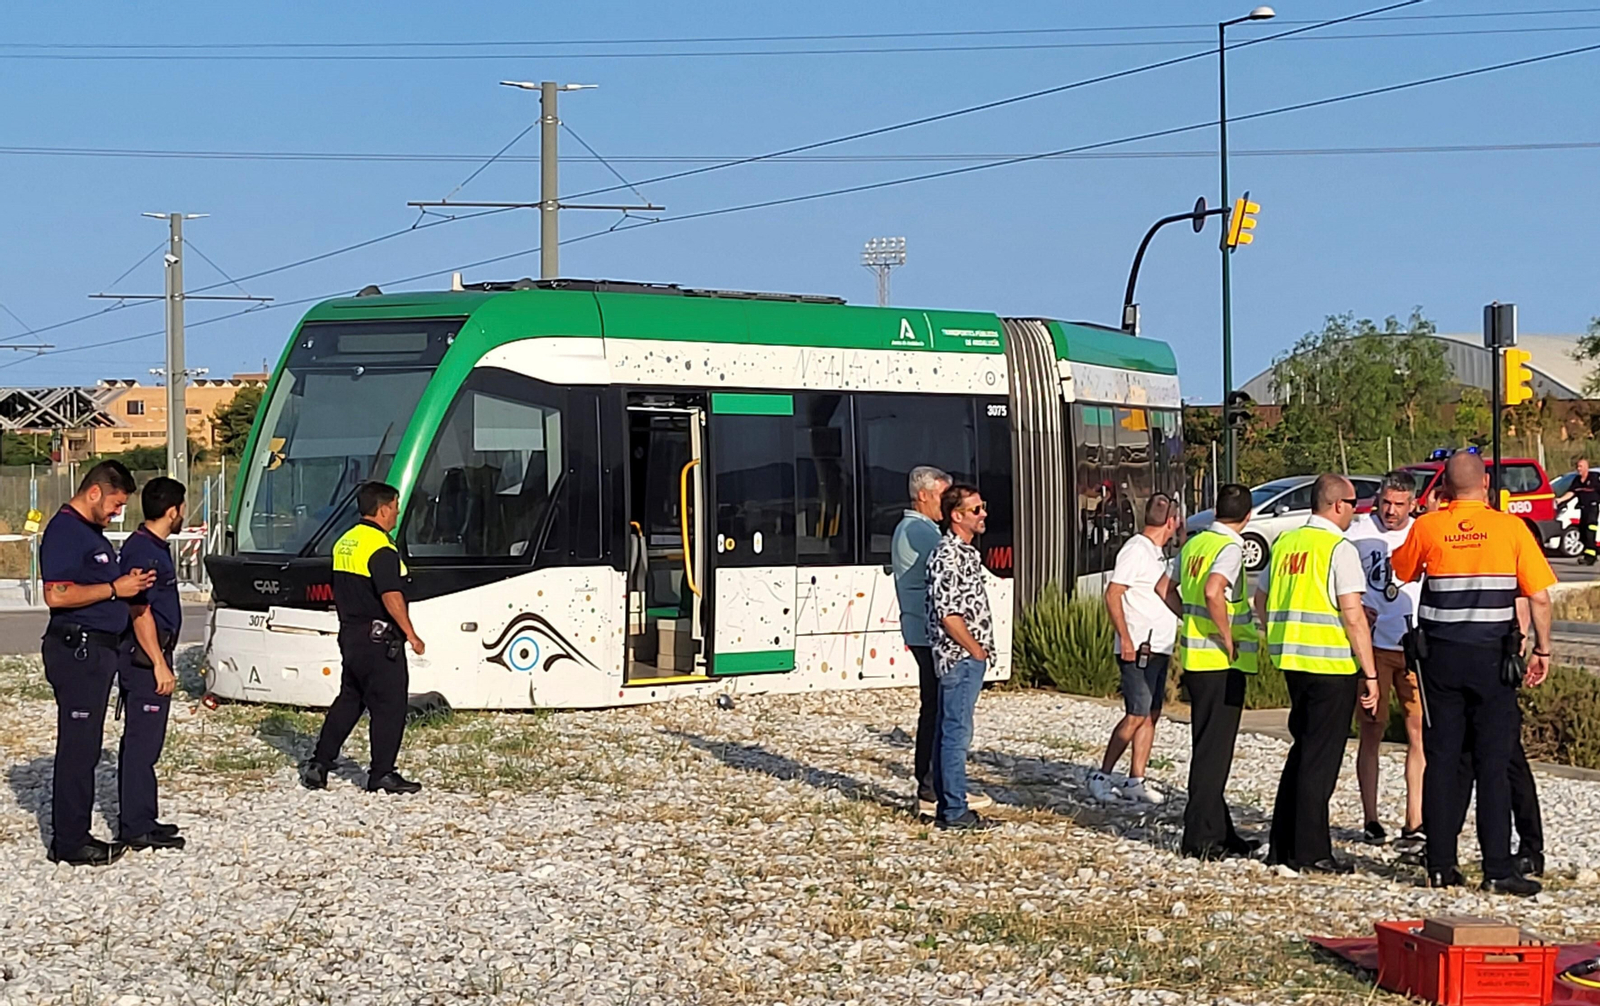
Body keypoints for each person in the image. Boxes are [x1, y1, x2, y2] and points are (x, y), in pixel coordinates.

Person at [1392, 451, 1554, 896]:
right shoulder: (1510, 528)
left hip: (1440, 659)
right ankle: (1498, 868)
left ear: (1444, 488)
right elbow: (1538, 598)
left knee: (1442, 760)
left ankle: (1441, 865)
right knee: (1493, 763)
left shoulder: (1428, 527)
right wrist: (1541, 649)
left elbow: (1402, 571)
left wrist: (1434, 521)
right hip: (1492, 661)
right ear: (1485, 486)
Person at [1256, 474, 1380, 874]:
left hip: (1292, 657)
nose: (1356, 511)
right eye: (1353, 503)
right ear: (1337, 504)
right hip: (1330, 664)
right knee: (1320, 761)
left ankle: (1283, 844)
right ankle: (1311, 852)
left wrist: (1276, 631)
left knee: (1303, 750)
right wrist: (1371, 672)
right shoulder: (1337, 548)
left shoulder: (1286, 542)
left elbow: (1261, 597)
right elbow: (1352, 614)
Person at [39, 461, 155, 866]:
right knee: (78, 748)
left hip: (98, 649)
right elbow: (56, 594)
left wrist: (130, 587)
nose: (116, 514)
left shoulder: (90, 533)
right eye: (115, 504)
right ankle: (70, 841)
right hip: (78, 650)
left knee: (86, 745)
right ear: (94, 492)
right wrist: (114, 588)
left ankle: (74, 832)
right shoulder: (65, 531)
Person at [301, 482, 427, 795]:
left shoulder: (345, 541)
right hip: (379, 638)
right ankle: (382, 773)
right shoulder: (381, 546)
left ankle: (319, 763)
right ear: (383, 509)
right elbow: (390, 594)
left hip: (350, 634)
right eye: (395, 507)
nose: (397, 513)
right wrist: (410, 633)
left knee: (351, 698)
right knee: (390, 705)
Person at [892, 466, 993, 820]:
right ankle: (942, 794)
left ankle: (941, 790)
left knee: (940, 715)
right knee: (947, 721)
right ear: (923, 495)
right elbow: (949, 605)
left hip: (938, 640)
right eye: (941, 495)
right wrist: (975, 649)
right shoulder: (925, 535)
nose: (983, 515)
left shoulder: (926, 534)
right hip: (944, 643)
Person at [1176, 483, 1261, 859]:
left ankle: (1221, 831)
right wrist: (1226, 636)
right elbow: (1214, 591)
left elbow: (1167, 586)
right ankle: (1201, 838)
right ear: (1249, 515)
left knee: (1208, 746)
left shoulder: (1195, 544)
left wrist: (1187, 620)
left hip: (1195, 659)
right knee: (1214, 753)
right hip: (1220, 662)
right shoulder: (1229, 547)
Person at [1346, 472, 1425, 848]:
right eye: (1386, 503)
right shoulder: (1358, 533)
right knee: (1371, 732)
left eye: (1399, 504)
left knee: (1417, 734)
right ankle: (1371, 818)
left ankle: (1415, 821)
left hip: (1412, 645)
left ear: (1413, 503)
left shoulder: (1421, 532)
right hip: (1374, 647)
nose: (1391, 511)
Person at [1090, 493, 1182, 805]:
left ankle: (1136, 779)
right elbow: (1113, 593)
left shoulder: (1158, 553)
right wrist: (1125, 638)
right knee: (1135, 713)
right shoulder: (1136, 550)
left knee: (1151, 713)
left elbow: (1164, 594)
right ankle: (1102, 775)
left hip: (1159, 644)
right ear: (1171, 521)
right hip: (1138, 646)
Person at [116, 476, 187, 852]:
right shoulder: (143, 552)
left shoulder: (154, 547)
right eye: (182, 509)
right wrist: (159, 663)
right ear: (173, 511)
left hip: (156, 653)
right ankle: (135, 825)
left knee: (149, 742)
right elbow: (139, 610)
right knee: (142, 743)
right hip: (145, 657)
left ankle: (145, 815)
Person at [925, 482, 998, 831]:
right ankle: (954, 810)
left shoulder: (966, 553)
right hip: (959, 659)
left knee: (950, 729)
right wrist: (975, 649)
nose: (983, 514)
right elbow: (948, 612)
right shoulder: (947, 555)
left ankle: (948, 805)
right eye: (976, 510)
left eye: (983, 507)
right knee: (956, 733)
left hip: (966, 658)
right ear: (956, 516)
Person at [1557, 458, 1600, 565]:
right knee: (1582, 532)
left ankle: (1590, 557)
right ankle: (1592, 552)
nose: (1578, 469)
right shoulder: (1577, 480)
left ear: (1586, 467)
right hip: (1582, 509)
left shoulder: (1595, 478)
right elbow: (1572, 492)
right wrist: (1560, 499)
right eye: (1577, 467)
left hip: (1592, 508)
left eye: (1580, 466)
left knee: (1590, 530)